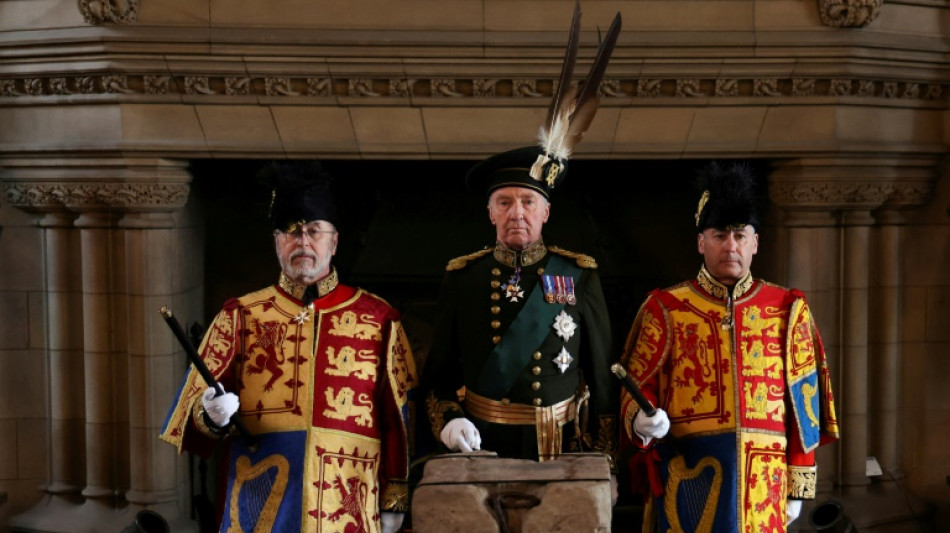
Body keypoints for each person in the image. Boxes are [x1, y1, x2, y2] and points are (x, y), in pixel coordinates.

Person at [160, 161, 416, 533]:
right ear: (277, 242)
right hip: (260, 500)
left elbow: (399, 417)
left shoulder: (379, 317)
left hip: (350, 501)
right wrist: (210, 415)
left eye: (314, 231)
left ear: (334, 241)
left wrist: (395, 496)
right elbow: (189, 418)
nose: (303, 243)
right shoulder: (240, 315)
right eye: (291, 233)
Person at [618, 162, 839, 532]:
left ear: (756, 242)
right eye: (720, 235)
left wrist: (798, 484)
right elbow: (637, 384)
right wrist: (639, 420)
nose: (730, 246)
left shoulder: (787, 308)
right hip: (688, 472)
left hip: (766, 482)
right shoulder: (665, 308)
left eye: (740, 235)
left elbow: (805, 405)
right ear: (701, 242)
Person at [419, 144, 617, 464]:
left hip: (561, 446)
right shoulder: (464, 278)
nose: (517, 213)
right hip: (483, 442)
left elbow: (602, 377)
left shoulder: (579, 275)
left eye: (528, 201)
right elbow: (438, 375)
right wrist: (451, 421)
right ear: (491, 212)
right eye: (504, 202)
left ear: (545, 212)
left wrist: (607, 457)